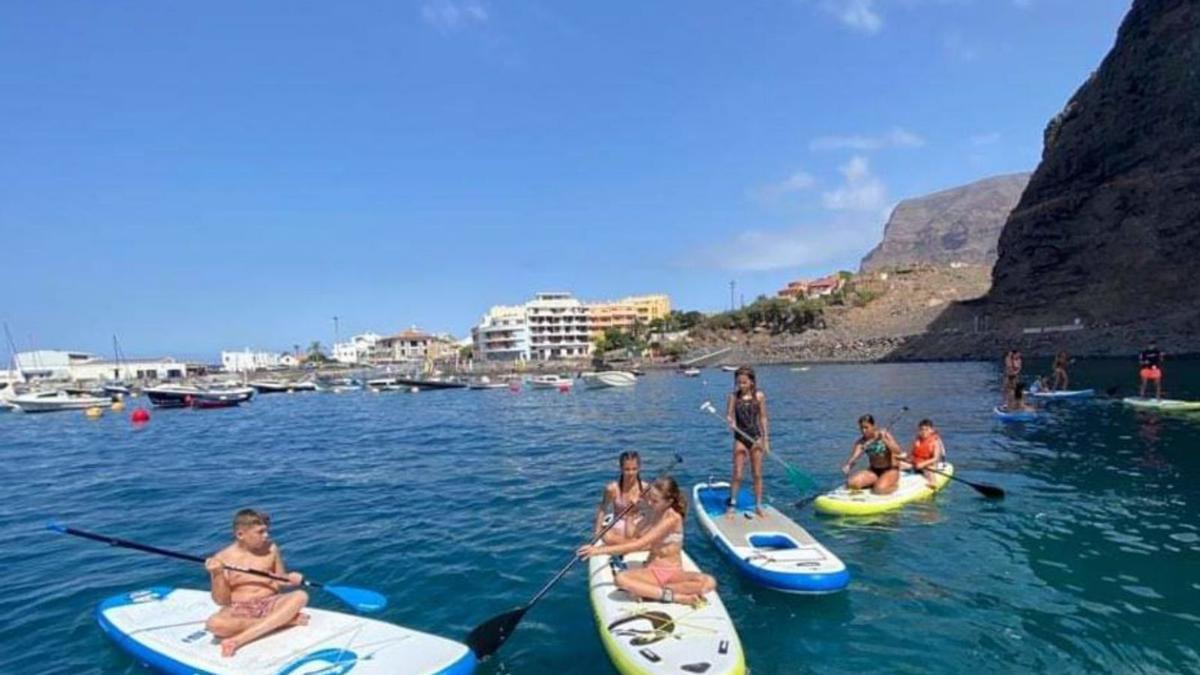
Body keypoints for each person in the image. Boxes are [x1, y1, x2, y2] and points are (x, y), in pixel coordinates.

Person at [577, 476, 716, 607]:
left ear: (669, 502)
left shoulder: (673, 519)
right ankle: (673, 595)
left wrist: (597, 551)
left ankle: (655, 593)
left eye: (655, 501)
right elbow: (632, 535)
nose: (650, 503)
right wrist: (631, 514)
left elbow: (639, 544)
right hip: (651, 570)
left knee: (709, 582)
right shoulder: (653, 512)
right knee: (620, 579)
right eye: (650, 499)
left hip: (672, 571)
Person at [204, 509, 309, 657]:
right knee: (214, 624)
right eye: (260, 532)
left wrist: (290, 579)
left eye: (266, 531)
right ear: (240, 534)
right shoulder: (222, 558)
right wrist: (217, 574)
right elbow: (221, 601)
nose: (266, 536)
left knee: (300, 596)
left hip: (271, 602)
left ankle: (238, 640)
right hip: (241, 608)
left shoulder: (271, 549)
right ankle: (284, 621)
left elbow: (280, 579)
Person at [725, 366, 770, 519]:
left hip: (756, 438)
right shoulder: (733, 397)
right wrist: (730, 421)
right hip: (740, 438)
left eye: (744, 382)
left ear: (751, 382)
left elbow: (763, 418)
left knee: (757, 474)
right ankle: (732, 504)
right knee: (737, 474)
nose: (741, 386)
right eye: (738, 383)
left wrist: (765, 440)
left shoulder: (759, 396)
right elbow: (729, 416)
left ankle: (758, 505)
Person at [593, 451, 646, 545]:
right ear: (621, 469)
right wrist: (597, 531)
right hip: (619, 523)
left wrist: (641, 504)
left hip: (638, 524)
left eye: (634, 469)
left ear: (639, 468)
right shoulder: (612, 488)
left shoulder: (645, 488)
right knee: (606, 535)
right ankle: (635, 544)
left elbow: (653, 510)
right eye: (627, 469)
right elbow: (602, 508)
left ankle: (629, 545)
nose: (631, 473)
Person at [841, 414, 904, 495]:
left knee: (878, 490)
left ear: (873, 426)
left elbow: (898, 451)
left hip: (890, 470)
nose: (863, 430)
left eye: (866, 427)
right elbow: (854, 457)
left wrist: (884, 440)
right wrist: (848, 466)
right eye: (861, 428)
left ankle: (894, 486)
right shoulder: (861, 442)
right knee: (851, 484)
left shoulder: (885, 435)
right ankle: (876, 481)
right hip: (874, 470)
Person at [901, 419, 945, 488]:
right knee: (896, 463)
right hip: (915, 463)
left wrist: (923, 464)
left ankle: (933, 483)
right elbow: (908, 454)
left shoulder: (935, 442)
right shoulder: (916, 440)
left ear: (931, 430)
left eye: (926, 429)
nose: (924, 432)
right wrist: (901, 457)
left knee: (928, 469)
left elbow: (935, 458)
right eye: (921, 429)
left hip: (927, 465)